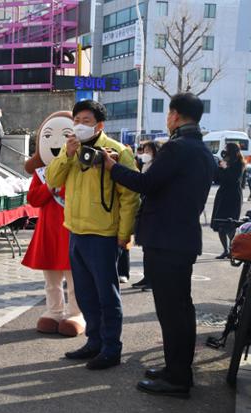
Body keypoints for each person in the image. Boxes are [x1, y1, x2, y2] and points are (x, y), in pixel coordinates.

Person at [102, 92, 216, 398]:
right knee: (179, 309)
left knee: (173, 312)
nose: (167, 119)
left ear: (175, 115)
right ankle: (175, 369)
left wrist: (113, 168)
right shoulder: (201, 150)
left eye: (168, 114)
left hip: (166, 241)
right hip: (181, 239)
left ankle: (177, 379)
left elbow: (146, 184)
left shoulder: (177, 148)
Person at [45, 100, 139, 370]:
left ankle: (112, 348)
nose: (79, 125)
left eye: (86, 120)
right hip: (76, 232)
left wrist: (124, 234)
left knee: (106, 296)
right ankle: (94, 341)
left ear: (99, 125)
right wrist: (67, 155)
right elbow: (52, 180)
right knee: (85, 294)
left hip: (104, 235)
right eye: (76, 120)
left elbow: (130, 197)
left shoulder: (118, 152)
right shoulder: (71, 148)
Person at [22, 111, 85, 337]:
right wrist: (49, 186)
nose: (56, 143)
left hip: (72, 229)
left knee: (75, 278)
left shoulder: (80, 169)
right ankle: (54, 311)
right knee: (51, 279)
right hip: (48, 231)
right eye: (47, 137)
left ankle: (76, 313)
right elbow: (33, 199)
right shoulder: (41, 173)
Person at [132, 140, 161, 291]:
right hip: (144, 208)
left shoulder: (158, 166)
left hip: (153, 212)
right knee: (146, 249)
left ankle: (153, 280)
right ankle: (146, 277)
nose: (145, 154)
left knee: (152, 250)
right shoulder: (144, 165)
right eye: (144, 150)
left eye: (148, 151)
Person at [211, 142, 245, 259]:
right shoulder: (226, 162)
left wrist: (225, 168)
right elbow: (217, 179)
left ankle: (232, 250)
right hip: (223, 195)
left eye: (226, 149)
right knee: (220, 224)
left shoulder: (239, 164)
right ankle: (225, 250)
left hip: (233, 196)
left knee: (230, 225)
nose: (224, 152)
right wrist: (219, 168)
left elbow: (233, 179)